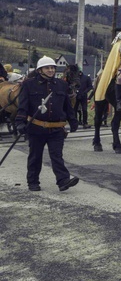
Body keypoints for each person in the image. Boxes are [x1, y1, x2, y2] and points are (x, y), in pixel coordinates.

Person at [15, 56, 79, 192]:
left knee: (57, 156)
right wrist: (20, 122)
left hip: (56, 129)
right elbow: (23, 106)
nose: (50, 70)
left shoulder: (62, 85)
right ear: (40, 70)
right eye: (47, 68)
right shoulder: (28, 84)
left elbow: (67, 106)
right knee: (35, 156)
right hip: (36, 128)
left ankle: (63, 181)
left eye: (52, 68)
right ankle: (33, 182)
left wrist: (73, 121)